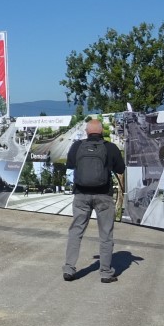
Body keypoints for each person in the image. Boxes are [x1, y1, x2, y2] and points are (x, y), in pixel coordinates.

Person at [63, 118, 125, 283]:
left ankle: (69, 269)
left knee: (76, 232)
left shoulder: (77, 146)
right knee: (106, 234)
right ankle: (105, 273)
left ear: (87, 132)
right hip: (104, 195)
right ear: (102, 131)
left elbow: (69, 165)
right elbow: (121, 168)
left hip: (81, 195)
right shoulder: (110, 147)